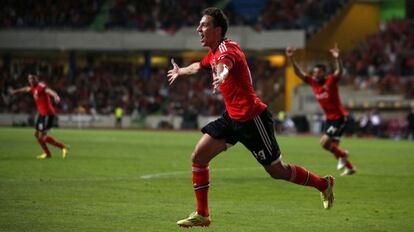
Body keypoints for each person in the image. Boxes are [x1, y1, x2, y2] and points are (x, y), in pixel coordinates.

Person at [167, 7, 334, 228]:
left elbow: (226, 65)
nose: (199, 29)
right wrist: (181, 71)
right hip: (232, 119)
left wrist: (223, 75)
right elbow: (200, 65)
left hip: (253, 120)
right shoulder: (215, 51)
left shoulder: (228, 50)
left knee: (277, 171)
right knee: (198, 157)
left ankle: (323, 184)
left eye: (204, 25)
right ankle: (202, 214)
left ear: (217, 30)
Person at [285, 44, 356, 176]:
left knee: (324, 142)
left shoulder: (331, 81)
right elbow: (298, 73)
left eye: (319, 72)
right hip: (329, 118)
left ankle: (344, 155)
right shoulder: (313, 82)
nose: (316, 74)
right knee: (331, 147)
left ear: (324, 72)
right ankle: (350, 167)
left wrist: (338, 59)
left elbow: (339, 72)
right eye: (315, 73)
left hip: (339, 117)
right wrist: (291, 59)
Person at [11, 74, 69, 160]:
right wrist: (15, 91)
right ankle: (47, 154)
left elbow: (49, 90)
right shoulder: (33, 88)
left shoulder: (40, 86)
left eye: (32, 79)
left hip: (48, 115)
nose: (30, 81)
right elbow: (25, 89)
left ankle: (63, 147)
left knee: (43, 137)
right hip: (42, 115)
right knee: (37, 135)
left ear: (36, 79)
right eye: (29, 79)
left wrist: (55, 96)